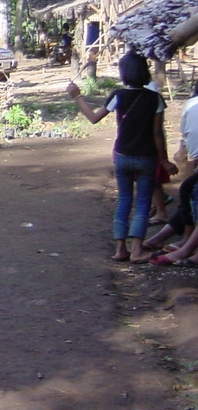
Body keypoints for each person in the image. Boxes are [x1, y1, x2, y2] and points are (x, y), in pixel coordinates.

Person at [66, 51, 178, 263]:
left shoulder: (118, 96)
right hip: (146, 157)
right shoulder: (155, 99)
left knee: (124, 201)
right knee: (143, 203)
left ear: (123, 73)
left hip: (122, 156)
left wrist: (77, 96)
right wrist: (164, 160)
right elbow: (157, 133)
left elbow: (93, 118)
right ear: (144, 72)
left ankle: (120, 249)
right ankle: (136, 250)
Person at [148, 82, 198, 265]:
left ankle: (185, 247)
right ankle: (180, 238)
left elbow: (185, 135)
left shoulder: (191, 104)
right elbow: (186, 135)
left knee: (193, 192)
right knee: (188, 189)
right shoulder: (191, 104)